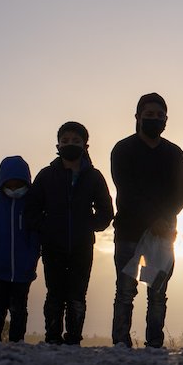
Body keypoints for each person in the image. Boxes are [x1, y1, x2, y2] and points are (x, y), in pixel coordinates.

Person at [110, 93, 183, 348]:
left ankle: (154, 344)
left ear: (166, 120)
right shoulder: (122, 150)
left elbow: (181, 193)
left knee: (158, 294)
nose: (154, 119)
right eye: (149, 115)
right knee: (124, 292)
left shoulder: (174, 154)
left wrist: (164, 220)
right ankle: (121, 343)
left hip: (165, 234)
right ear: (137, 117)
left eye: (159, 115)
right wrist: (151, 218)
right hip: (128, 232)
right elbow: (126, 188)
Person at [26, 122, 113, 345]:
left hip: (82, 246)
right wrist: (46, 227)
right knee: (54, 293)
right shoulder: (46, 176)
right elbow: (31, 209)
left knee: (77, 295)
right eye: (65, 141)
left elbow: (106, 210)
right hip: (52, 245)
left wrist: (88, 225)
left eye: (76, 141)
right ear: (58, 145)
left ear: (85, 145)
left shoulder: (93, 177)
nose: (70, 144)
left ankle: (74, 338)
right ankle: (52, 338)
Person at [0, 156, 41, 342]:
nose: (14, 189)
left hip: (24, 271)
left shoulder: (31, 203)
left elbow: (36, 235)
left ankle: (17, 341)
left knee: (19, 308)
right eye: (10, 185)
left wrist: (32, 258)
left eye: (18, 185)